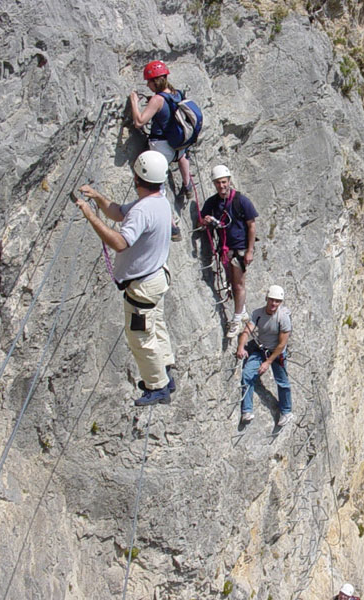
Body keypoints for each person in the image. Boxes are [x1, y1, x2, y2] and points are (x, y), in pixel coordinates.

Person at [76, 150, 176, 406]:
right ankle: (165, 370)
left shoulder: (144, 210)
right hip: (156, 277)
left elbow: (120, 242)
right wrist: (97, 198)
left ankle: (158, 386)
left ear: (137, 178)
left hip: (143, 286)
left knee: (140, 336)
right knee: (156, 325)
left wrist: (90, 216)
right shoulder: (158, 200)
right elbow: (120, 212)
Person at [129, 60, 192, 240]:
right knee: (183, 156)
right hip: (179, 146)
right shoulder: (176, 94)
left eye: (148, 82)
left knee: (158, 185)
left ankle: (172, 227)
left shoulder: (157, 100)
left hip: (161, 146)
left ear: (154, 81)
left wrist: (134, 102)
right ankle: (187, 184)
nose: (147, 85)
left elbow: (139, 121)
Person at [200, 164, 258, 338]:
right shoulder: (213, 202)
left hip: (239, 248)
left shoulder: (242, 201)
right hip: (225, 249)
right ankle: (243, 311)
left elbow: (252, 226)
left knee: (238, 284)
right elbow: (200, 222)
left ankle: (237, 319)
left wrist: (250, 251)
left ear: (229, 181)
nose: (221, 186)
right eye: (218, 183)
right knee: (232, 283)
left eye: (224, 182)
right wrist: (207, 220)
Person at [236, 285, 292, 426]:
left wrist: (268, 362)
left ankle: (286, 411)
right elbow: (246, 331)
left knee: (282, 382)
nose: (274, 304)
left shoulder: (283, 318)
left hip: (277, 352)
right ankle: (247, 411)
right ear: (266, 298)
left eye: (277, 301)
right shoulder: (258, 314)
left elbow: (281, 344)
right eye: (272, 300)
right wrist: (241, 347)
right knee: (247, 374)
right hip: (261, 349)